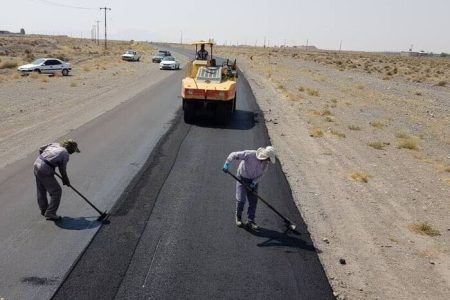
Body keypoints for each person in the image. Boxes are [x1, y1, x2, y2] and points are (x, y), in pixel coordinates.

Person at [223, 146, 276, 229]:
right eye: (268, 159)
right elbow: (233, 154)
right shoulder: (250, 154)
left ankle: (250, 221)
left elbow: (262, 175)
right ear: (266, 156)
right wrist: (227, 163)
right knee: (241, 200)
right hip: (242, 178)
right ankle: (238, 217)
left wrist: (253, 183)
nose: (269, 161)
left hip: (253, 182)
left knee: (253, 201)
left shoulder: (266, 164)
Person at [33, 139, 80, 221]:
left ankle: (44, 209)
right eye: (73, 150)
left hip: (37, 164)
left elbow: (41, 149)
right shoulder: (65, 153)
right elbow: (62, 170)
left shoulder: (55, 144)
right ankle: (50, 213)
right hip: (45, 170)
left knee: (41, 189)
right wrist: (66, 181)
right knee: (56, 191)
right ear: (70, 148)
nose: (72, 152)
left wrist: (46, 160)